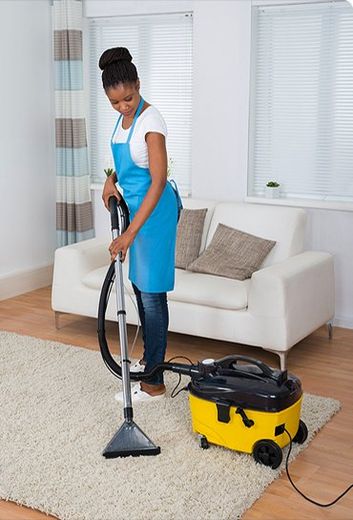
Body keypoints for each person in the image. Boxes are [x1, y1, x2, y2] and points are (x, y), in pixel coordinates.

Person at [99, 47, 180, 402]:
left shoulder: (152, 120)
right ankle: (150, 365)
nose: (123, 107)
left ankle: (154, 381)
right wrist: (109, 179)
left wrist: (130, 234)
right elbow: (130, 161)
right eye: (115, 102)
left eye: (128, 98)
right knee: (139, 288)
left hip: (156, 215)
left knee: (151, 295)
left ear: (139, 86)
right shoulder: (122, 120)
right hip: (136, 215)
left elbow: (158, 179)